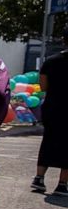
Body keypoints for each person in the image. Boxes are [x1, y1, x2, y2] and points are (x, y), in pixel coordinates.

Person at [31, 27, 68, 196]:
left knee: (48, 141)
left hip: (53, 107)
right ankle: (62, 184)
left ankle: (39, 178)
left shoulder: (51, 61)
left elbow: (44, 86)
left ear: (63, 39)